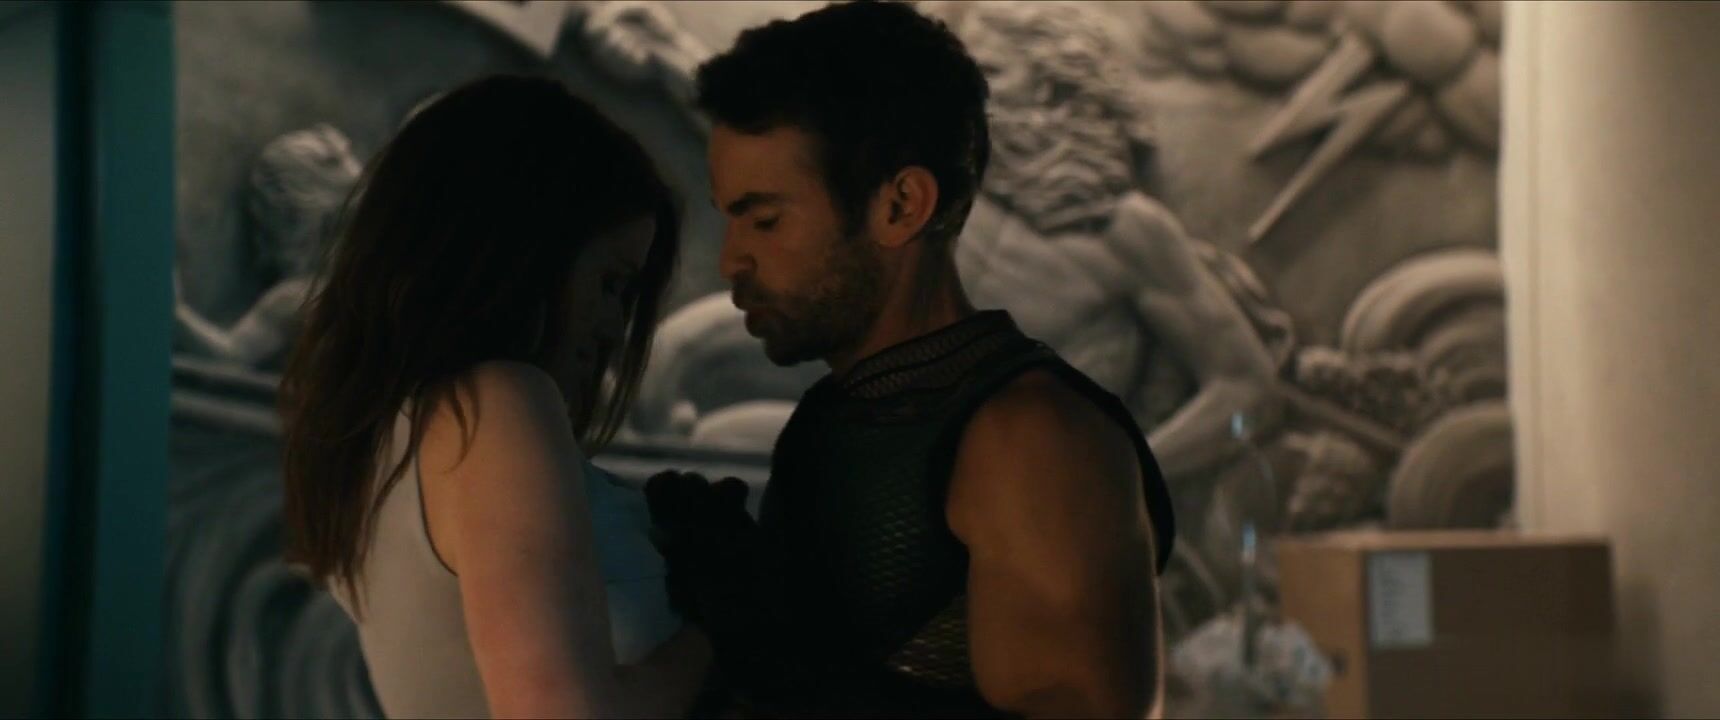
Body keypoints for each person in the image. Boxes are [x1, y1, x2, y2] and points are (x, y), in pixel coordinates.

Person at [646, 3, 1177, 718]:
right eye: (730, 219)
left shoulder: (1032, 441)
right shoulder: (833, 418)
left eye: (765, 219)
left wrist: (770, 651)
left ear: (900, 206)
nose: (732, 259)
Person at [278, 75, 709, 719]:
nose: (615, 329)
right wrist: (721, 624)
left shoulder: (383, 434)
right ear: (521, 255)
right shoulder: (493, 404)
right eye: (611, 284)